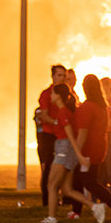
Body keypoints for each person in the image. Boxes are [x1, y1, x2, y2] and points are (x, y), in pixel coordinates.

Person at [42, 84, 111, 223]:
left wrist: (78, 155)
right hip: (66, 149)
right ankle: (95, 207)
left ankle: (52, 217)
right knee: (67, 189)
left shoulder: (63, 112)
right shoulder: (68, 111)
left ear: (59, 96)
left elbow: (70, 137)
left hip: (63, 149)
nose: (51, 96)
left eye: (53, 94)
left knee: (52, 184)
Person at [74, 74, 111, 223]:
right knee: (85, 180)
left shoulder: (88, 107)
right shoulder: (102, 106)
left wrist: (77, 151)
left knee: (87, 181)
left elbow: (83, 132)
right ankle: (78, 210)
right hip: (99, 148)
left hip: (88, 150)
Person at [36, 64, 67, 207]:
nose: (62, 78)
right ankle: (47, 200)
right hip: (49, 135)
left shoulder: (67, 92)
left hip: (61, 135)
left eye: (63, 76)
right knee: (48, 167)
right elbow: (44, 115)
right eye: (59, 75)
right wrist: (58, 123)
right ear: (53, 76)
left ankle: (62, 198)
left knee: (63, 168)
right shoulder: (46, 94)